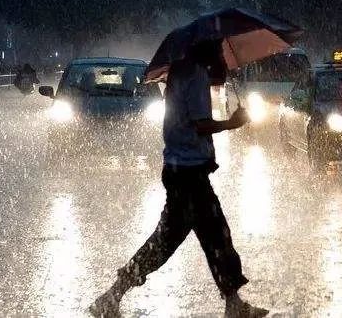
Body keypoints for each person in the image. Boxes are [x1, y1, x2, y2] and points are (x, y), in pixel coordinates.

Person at [90, 40, 268, 318]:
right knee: (209, 237)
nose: (221, 54)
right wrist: (233, 123)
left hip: (179, 169)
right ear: (206, 49)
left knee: (186, 238)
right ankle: (113, 295)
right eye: (218, 49)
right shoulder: (195, 75)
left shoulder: (180, 72)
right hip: (190, 174)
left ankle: (113, 294)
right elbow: (201, 124)